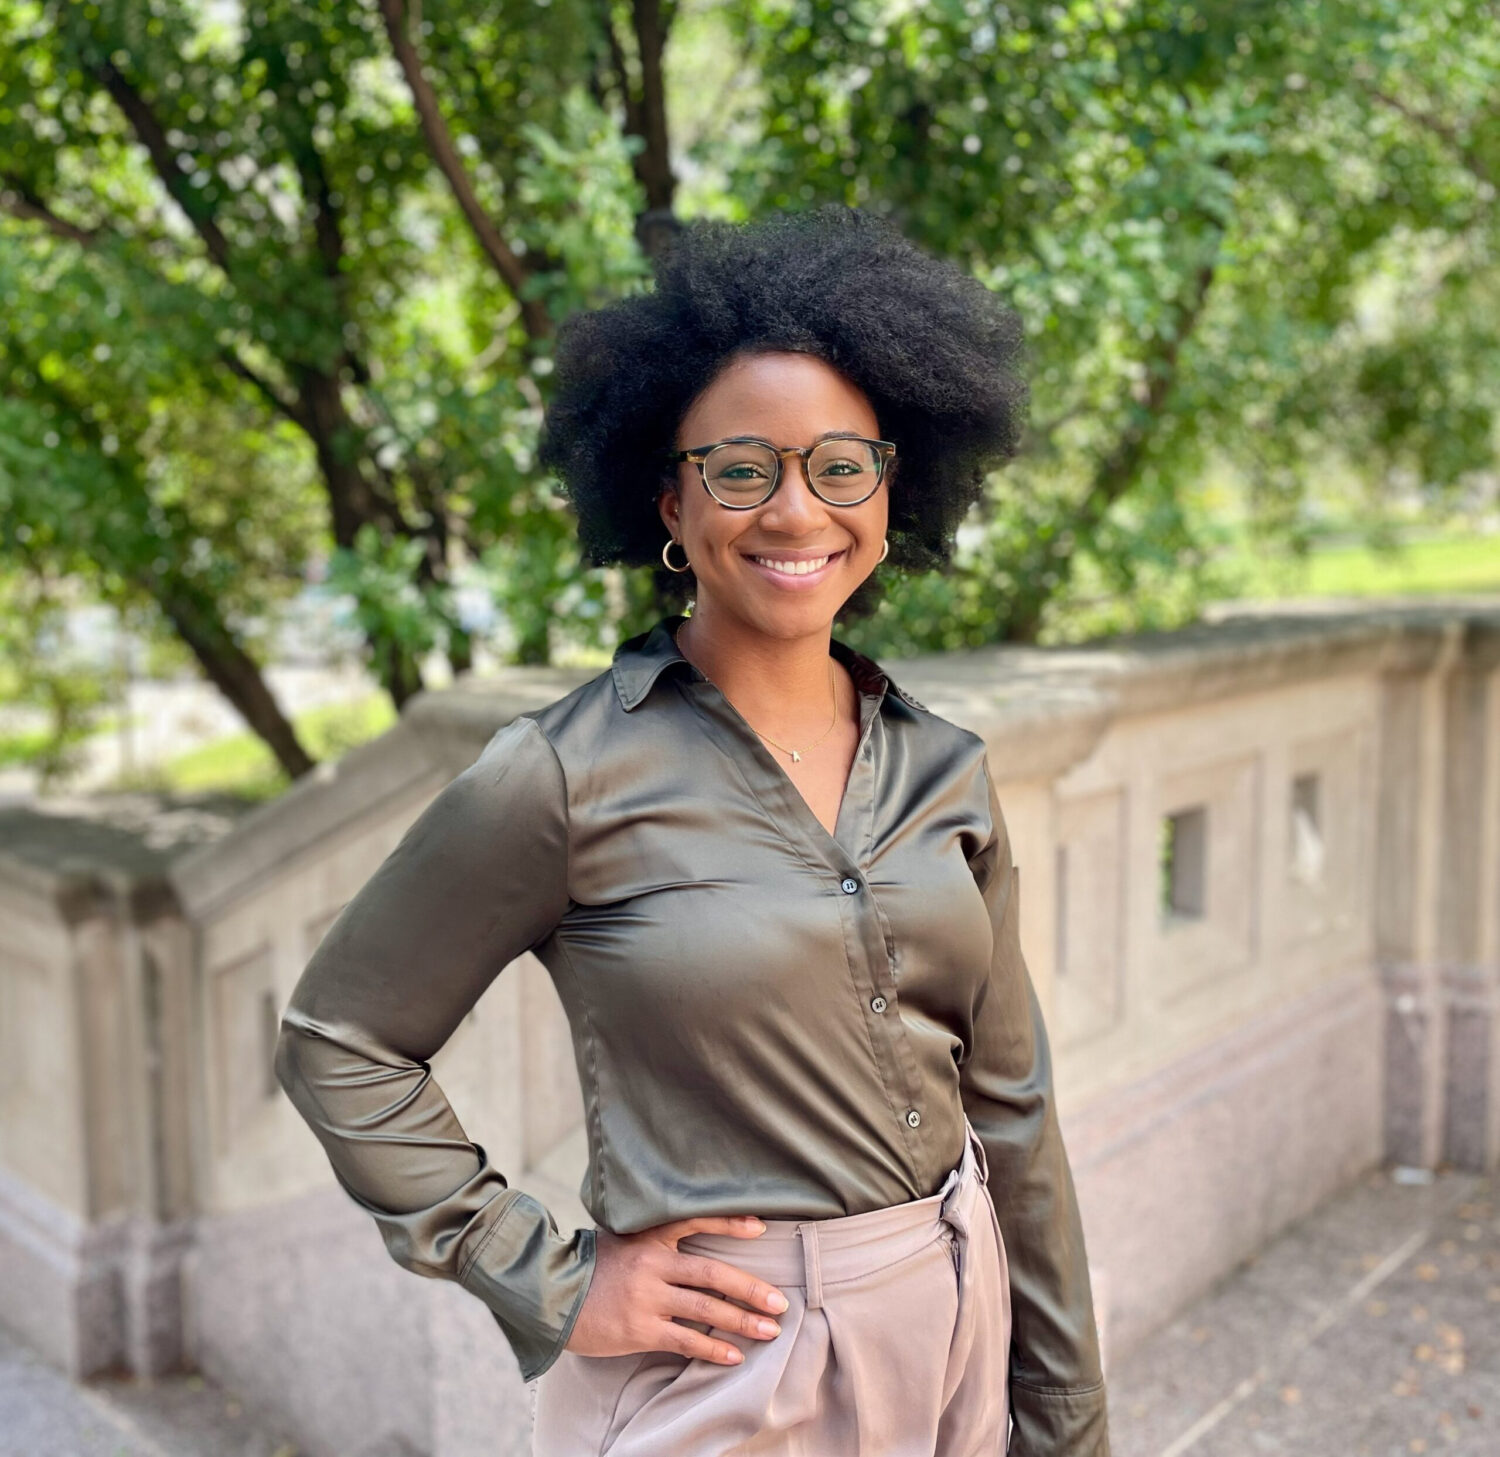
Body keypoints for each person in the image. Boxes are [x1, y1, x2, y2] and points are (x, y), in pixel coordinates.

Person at [275, 204, 1109, 1455]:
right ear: (670, 496)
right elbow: (339, 1036)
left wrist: (1065, 1413)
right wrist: (543, 1272)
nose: (794, 510)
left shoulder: (947, 770)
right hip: (728, 1365)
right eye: (740, 467)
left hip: (956, 1322)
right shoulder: (560, 774)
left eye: (840, 465)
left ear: (890, 490)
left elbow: (1014, 1111)